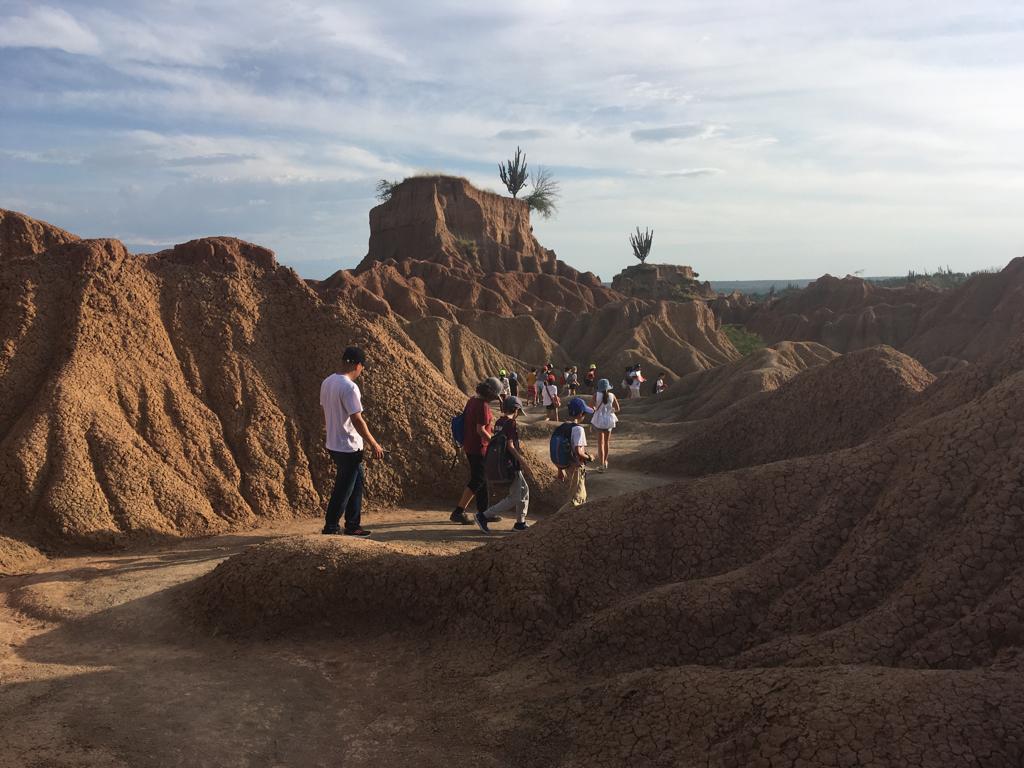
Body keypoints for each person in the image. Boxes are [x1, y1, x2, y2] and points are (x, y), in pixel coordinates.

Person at [320, 346, 385, 537]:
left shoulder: (327, 382)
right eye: (361, 368)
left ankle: (353, 525)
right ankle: (331, 527)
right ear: (358, 365)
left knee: (356, 482)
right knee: (344, 489)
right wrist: (374, 443)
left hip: (334, 443)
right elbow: (357, 419)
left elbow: (324, 411)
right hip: (348, 446)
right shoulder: (349, 387)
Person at [451, 377, 504, 525]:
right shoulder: (482, 406)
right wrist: (494, 442)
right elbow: (480, 430)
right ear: (491, 395)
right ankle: (458, 512)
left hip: (470, 445)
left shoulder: (472, 400)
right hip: (478, 447)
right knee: (477, 480)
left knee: (482, 479)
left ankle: (484, 512)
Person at [476, 396, 533, 533]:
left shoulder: (499, 422)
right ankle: (484, 516)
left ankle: (520, 523)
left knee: (524, 491)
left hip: (503, 462)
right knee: (514, 497)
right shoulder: (511, 423)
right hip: (511, 464)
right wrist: (523, 463)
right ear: (516, 409)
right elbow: (511, 446)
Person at [555, 397, 594, 514]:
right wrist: (590, 457)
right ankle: (556, 519)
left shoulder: (563, 427)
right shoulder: (578, 429)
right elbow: (578, 452)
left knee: (578, 494)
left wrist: (560, 469)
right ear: (581, 413)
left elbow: (560, 449)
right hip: (576, 466)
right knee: (577, 498)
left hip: (567, 464)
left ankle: (574, 519)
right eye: (585, 413)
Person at [590, 378, 620, 472]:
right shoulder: (612, 395)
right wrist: (610, 411)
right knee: (606, 443)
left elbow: (591, 407)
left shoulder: (596, 395)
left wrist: (596, 408)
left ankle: (602, 464)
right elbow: (618, 408)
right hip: (609, 420)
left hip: (599, 420)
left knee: (600, 444)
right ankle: (605, 462)